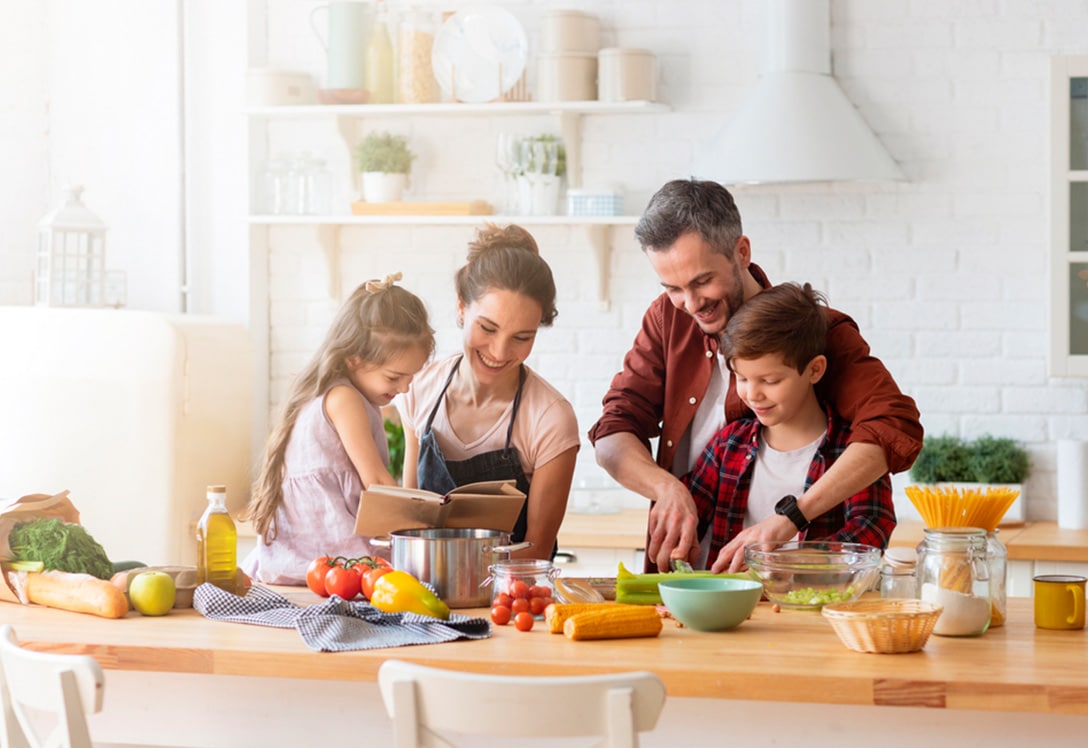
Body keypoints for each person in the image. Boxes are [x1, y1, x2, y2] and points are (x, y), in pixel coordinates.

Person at [588, 178, 922, 572]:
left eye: (702, 281)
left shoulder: (814, 331)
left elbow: (892, 425)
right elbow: (612, 432)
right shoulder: (667, 318)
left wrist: (791, 521)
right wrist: (666, 489)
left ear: (741, 252)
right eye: (672, 288)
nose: (690, 304)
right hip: (695, 577)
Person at [684, 282, 897, 573]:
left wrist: (786, 563)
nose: (752, 394)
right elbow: (689, 516)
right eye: (742, 378)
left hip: (813, 609)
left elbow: (871, 531)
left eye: (770, 381)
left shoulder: (852, 452)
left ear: (814, 370)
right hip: (731, 609)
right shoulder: (728, 444)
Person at [398, 224, 580, 560]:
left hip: (509, 600)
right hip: (422, 595)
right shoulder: (419, 389)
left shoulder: (550, 418)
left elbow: (537, 551)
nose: (499, 351)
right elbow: (408, 525)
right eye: (488, 328)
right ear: (462, 308)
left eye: (521, 338)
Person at [242, 273, 434, 585]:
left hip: (306, 555)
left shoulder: (338, 392)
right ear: (354, 359)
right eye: (394, 377)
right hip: (327, 552)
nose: (404, 388)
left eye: (411, 377)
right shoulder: (344, 398)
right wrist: (418, 526)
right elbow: (375, 480)